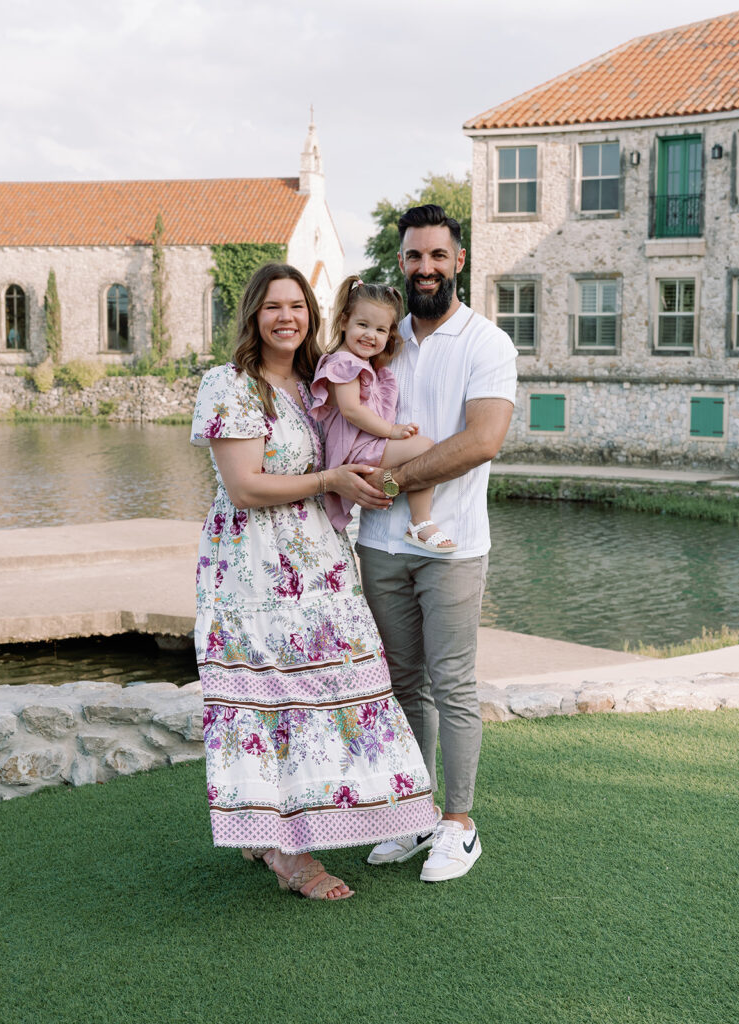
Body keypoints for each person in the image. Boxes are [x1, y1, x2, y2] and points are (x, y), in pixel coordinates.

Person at [190, 262, 438, 901]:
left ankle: (269, 827)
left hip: (321, 567)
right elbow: (245, 486)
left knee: (333, 691)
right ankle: (289, 857)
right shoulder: (231, 385)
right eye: (273, 306)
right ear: (252, 313)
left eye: (297, 306)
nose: (286, 318)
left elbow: (350, 452)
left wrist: (377, 475)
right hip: (254, 571)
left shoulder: (315, 384)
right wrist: (330, 482)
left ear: (311, 315)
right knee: (271, 700)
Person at [357, 205, 518, 882]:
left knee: (451, 685)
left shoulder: (487, 343)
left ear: (459, 262)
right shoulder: (384, 339)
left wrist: (393, 477)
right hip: (381, 541)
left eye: (438, 256)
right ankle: (411, 814)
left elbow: (483, 441)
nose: (426, 267)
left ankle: (459, 823)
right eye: (414, 256)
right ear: (401, 264)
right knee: (402, 683)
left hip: (451, 546)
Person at [309, 275, 455, 551]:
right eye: (362, 325)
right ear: (343, 322)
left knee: (417, 455)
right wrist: (392, 431)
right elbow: (351, 410)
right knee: (425, 449)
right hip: (355, 449)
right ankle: (421, 521)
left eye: (380, 330)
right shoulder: (344, 363)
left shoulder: (359, 363)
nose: (370, 335)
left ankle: (387, 488)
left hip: (362, 446)